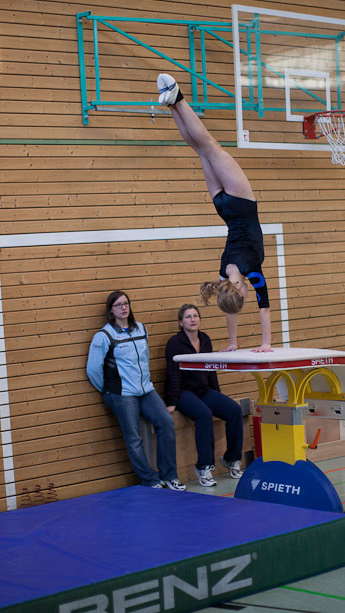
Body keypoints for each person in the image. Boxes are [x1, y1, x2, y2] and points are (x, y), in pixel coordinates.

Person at [158, 72, 272, 353]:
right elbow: (229, 308)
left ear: (241, 291)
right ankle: (171, 106)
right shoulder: (222, 275)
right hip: (223, 208)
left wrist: (266, 343)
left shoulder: (253, 272)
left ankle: (179, 99)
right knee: (199, 150)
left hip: (242, 203)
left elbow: (264, 309)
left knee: (209, 145)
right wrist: (231, 342)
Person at [86, 291, 186, 491]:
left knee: (166, 423)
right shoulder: (104, 336)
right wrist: (108, 390)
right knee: (134, 437)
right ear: (111, 310)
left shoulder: (141, 329)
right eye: (118, 305)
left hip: (146, 391)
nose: (123, 307)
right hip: (122, 394)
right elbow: (93, 369)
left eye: (126, 303)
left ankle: (169, 476)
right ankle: (149, 480)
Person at [164, 304, 244, 487]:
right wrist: (172, 402)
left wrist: (217, 395)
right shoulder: (174, 343)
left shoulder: (205, 339)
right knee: (204, 414)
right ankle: (204, 467)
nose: (192, 319)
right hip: (184, 392)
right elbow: (173, 374)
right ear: (180, 322)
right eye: (188, 317)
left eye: (195, 316)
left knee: (233, 410)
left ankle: (232, 459)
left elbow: (211, 369)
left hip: (204, 390)